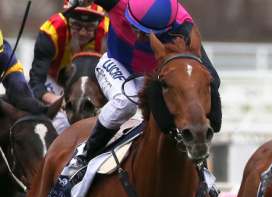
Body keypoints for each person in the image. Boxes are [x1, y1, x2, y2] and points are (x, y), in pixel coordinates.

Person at [65, 0, 220, 174]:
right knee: (126, 102)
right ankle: (84, 157)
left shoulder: (182, 27)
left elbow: (209, 77)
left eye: (148, 35)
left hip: (153, 74)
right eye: (137, 29)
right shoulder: (117, 3)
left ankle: (201, 167)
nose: (139, 38)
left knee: (188, 91)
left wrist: (209, 121)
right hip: (117, 64)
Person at [29, 1, 109, 133]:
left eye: (90, 27)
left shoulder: (108, 32)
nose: (83, 33)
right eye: (76, 25)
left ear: (99, 23)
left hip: (93, 83)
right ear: (66, 19)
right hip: (55, 81)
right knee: (61, 121)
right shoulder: (51, 31)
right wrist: (54, 100)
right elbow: (36, 81)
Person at [0, 30, 48, 114]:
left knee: (24, 97)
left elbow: (14, 74)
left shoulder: (4, 53)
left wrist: (27, 99)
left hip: (4, 55)